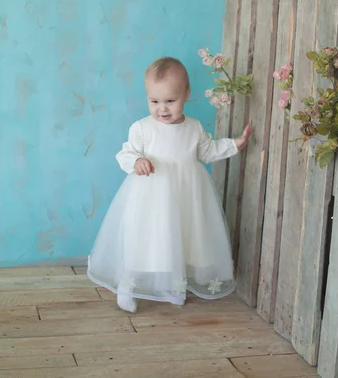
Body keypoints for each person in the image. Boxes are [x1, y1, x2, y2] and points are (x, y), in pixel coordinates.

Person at [87, 57, 252, 313]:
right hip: (150, 197)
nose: (162, 109)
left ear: (187, 94)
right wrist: (137, 161)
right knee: (144, 241)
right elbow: (125, 154)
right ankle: (126, 286)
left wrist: (234, 144)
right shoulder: (142, 128)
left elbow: (207, 152)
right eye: (154, 101)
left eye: (170, 101)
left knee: (181, 239)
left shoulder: (194, 127)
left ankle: (175, 286)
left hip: (186, 194)